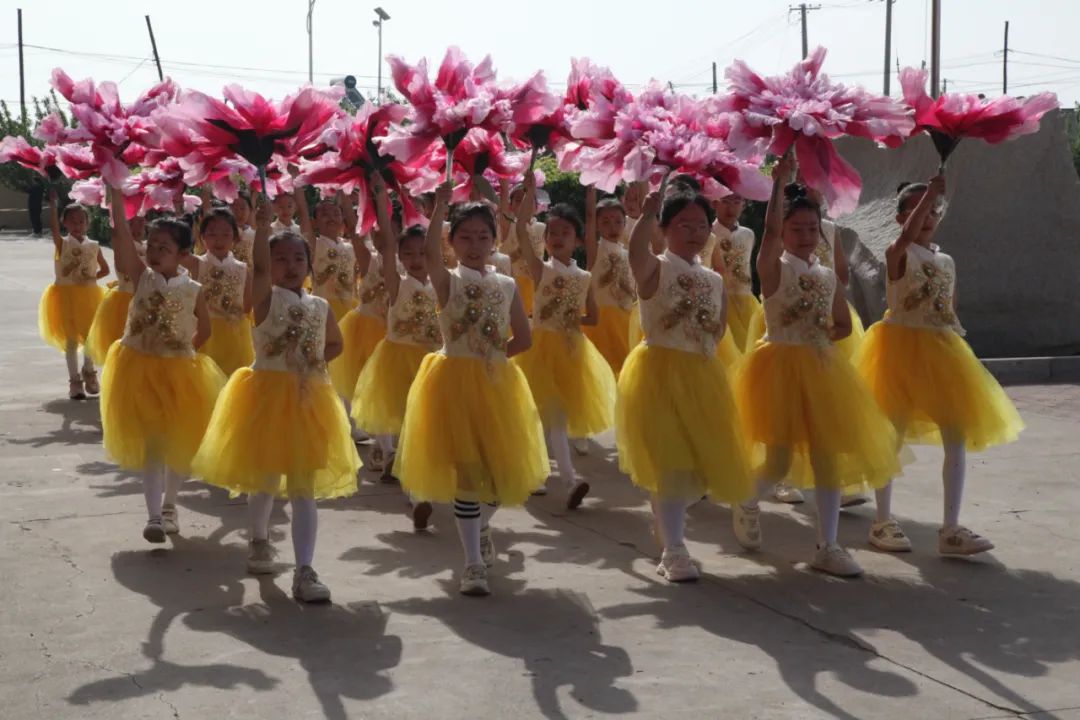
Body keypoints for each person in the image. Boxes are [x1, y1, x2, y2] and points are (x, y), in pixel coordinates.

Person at [731, 155, 901, 577]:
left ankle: (828, 545)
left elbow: (843, 324)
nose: (805, 236)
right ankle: (747, 498)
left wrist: (822, 333)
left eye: (811, 229)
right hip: (779, 367)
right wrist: (779, 184)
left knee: (828, 458)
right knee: (779, 460)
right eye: (796, 229)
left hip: (823, 368)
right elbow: (767, 232)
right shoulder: (773, 269)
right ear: (784, 233)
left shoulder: (826, 276)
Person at [192, 198, 360, 603]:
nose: (290, 265)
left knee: (304, 486)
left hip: (309, 401)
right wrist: (264, 228)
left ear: (310, 264)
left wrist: (314, 362)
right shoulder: (267, 301)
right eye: (281, 259)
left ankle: (305, 570)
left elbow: (335, 342)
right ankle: (259, 538)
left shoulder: (319, 305)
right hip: (267, 395)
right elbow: (262, 269)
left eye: (298, 258)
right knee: (266, 479)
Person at [856, 176, 1023, 555]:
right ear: (900, 217)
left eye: (933, 209)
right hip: (898, 348)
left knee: (955, 436)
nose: (927, 215)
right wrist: (930, 191)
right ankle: (882, 520)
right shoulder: (897, 253)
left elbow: (949, 309)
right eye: (917, 208)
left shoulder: (945, 260)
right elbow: (902, 244)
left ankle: (950, 527)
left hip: (941, 350)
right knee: (892, 435)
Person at [396, 183, 547, 597]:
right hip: (453, 384)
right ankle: (472, 565)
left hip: (497, 384)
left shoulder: (507, 284)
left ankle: (480, 528)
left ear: (495, 241)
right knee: (466, 474)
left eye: (483, 236)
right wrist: (440, 208)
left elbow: (524, 339)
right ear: (452, 242)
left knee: (499, 478)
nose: (475, 244)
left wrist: (494, 356)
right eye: (465, 236)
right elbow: (428, 256)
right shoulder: (447, 281)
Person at [617, 186, 752, 582]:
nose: (694, 233)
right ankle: (674, 550)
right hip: (658, 372)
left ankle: (665, 519)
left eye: (701, 225)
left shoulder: (713, 277)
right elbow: (634, 254)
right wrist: (645, 215)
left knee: (697, 469)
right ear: (665, 229)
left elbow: (720, 327)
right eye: (684, 225)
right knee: (671, 464)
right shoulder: (655, 267)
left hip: (702, 374)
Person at [100, 187, 224, 543]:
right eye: (151, 246)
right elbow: (123, 238)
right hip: (138, 370)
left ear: (183, 254)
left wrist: (187, 350)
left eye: (163, 248)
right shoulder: (142, 277)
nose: (154, 253)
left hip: (179, 372)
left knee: (176, 447)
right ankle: (154, 516)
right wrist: (115, 196)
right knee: (153, 446)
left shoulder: (194, 288)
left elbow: (207, 327)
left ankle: (170, 505)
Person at [512, 174, 616, 507]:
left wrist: (575, 320)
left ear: (579, 240)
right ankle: (549, 477)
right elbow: (519, 233)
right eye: (552, 233)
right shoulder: (541, 270)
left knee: (554, 419)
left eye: (565, 233)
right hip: (540, 348)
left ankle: (555, 477)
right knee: (538, 417)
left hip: (571, 351)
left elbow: (594, 318)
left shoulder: (584, 277)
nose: (557, 238)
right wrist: (529, 193)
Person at [351, 179, 442, 527]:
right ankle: (415, 491)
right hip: (398, 360)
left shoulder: (442, 282)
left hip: (432, 362)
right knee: (407, 423)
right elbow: (386, 245)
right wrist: (380, 196)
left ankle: (419, 476)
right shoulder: (396, 282)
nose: (416, 260)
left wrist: (439, 209)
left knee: (426, 424)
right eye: (409, 255)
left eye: (422, 254)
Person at [38, 194, 109, 399]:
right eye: (72, 221)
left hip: (89, 295)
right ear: (65, 222)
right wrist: (53, 206)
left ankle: (89, 371)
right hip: (66, 296)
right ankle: (74, 380)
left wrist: (93, 276)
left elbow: (105, 269)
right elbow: (53, 229)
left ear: (87, 223)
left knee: (89, 337)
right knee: (70, 340)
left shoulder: (93, 245)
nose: (77, 225)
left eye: (81, 221)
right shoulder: (62, 244)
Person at [180, 207, 254, 375]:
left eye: (226, 234)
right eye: (212, 234)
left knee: (230, 379)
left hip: (235, 337)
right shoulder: (197, 263)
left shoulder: (243, 269)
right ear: (202, 237)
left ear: (235, 238)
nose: (219, 240)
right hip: (204, 334)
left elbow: (247, 306)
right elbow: (175, 253)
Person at [583, 187, 636, 376]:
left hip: (625, 316)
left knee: (624, 365)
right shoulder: (595, 250)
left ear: (625, 223)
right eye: (605, 222)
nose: (612, 227)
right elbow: (589, 217)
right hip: (601, 320)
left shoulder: (629, 254)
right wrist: (591, 189)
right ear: (597, 225)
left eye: (617, 222)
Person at [86, 214, 146, 365]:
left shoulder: (150, 246)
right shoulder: (123, 245)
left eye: (140, 222)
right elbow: (122, 265)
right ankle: (89, 367)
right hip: (124, 301)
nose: (137, 227)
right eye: (131, 223)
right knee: (122, 348)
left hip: (146, 301)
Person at [709, 193, 758, 353]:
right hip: (720, 301)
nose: (731, 207)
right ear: (714, 203)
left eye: (737, 201)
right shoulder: (708, 234)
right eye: (725, 201)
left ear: (744, 204)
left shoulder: (748, 234)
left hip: (746, 300)